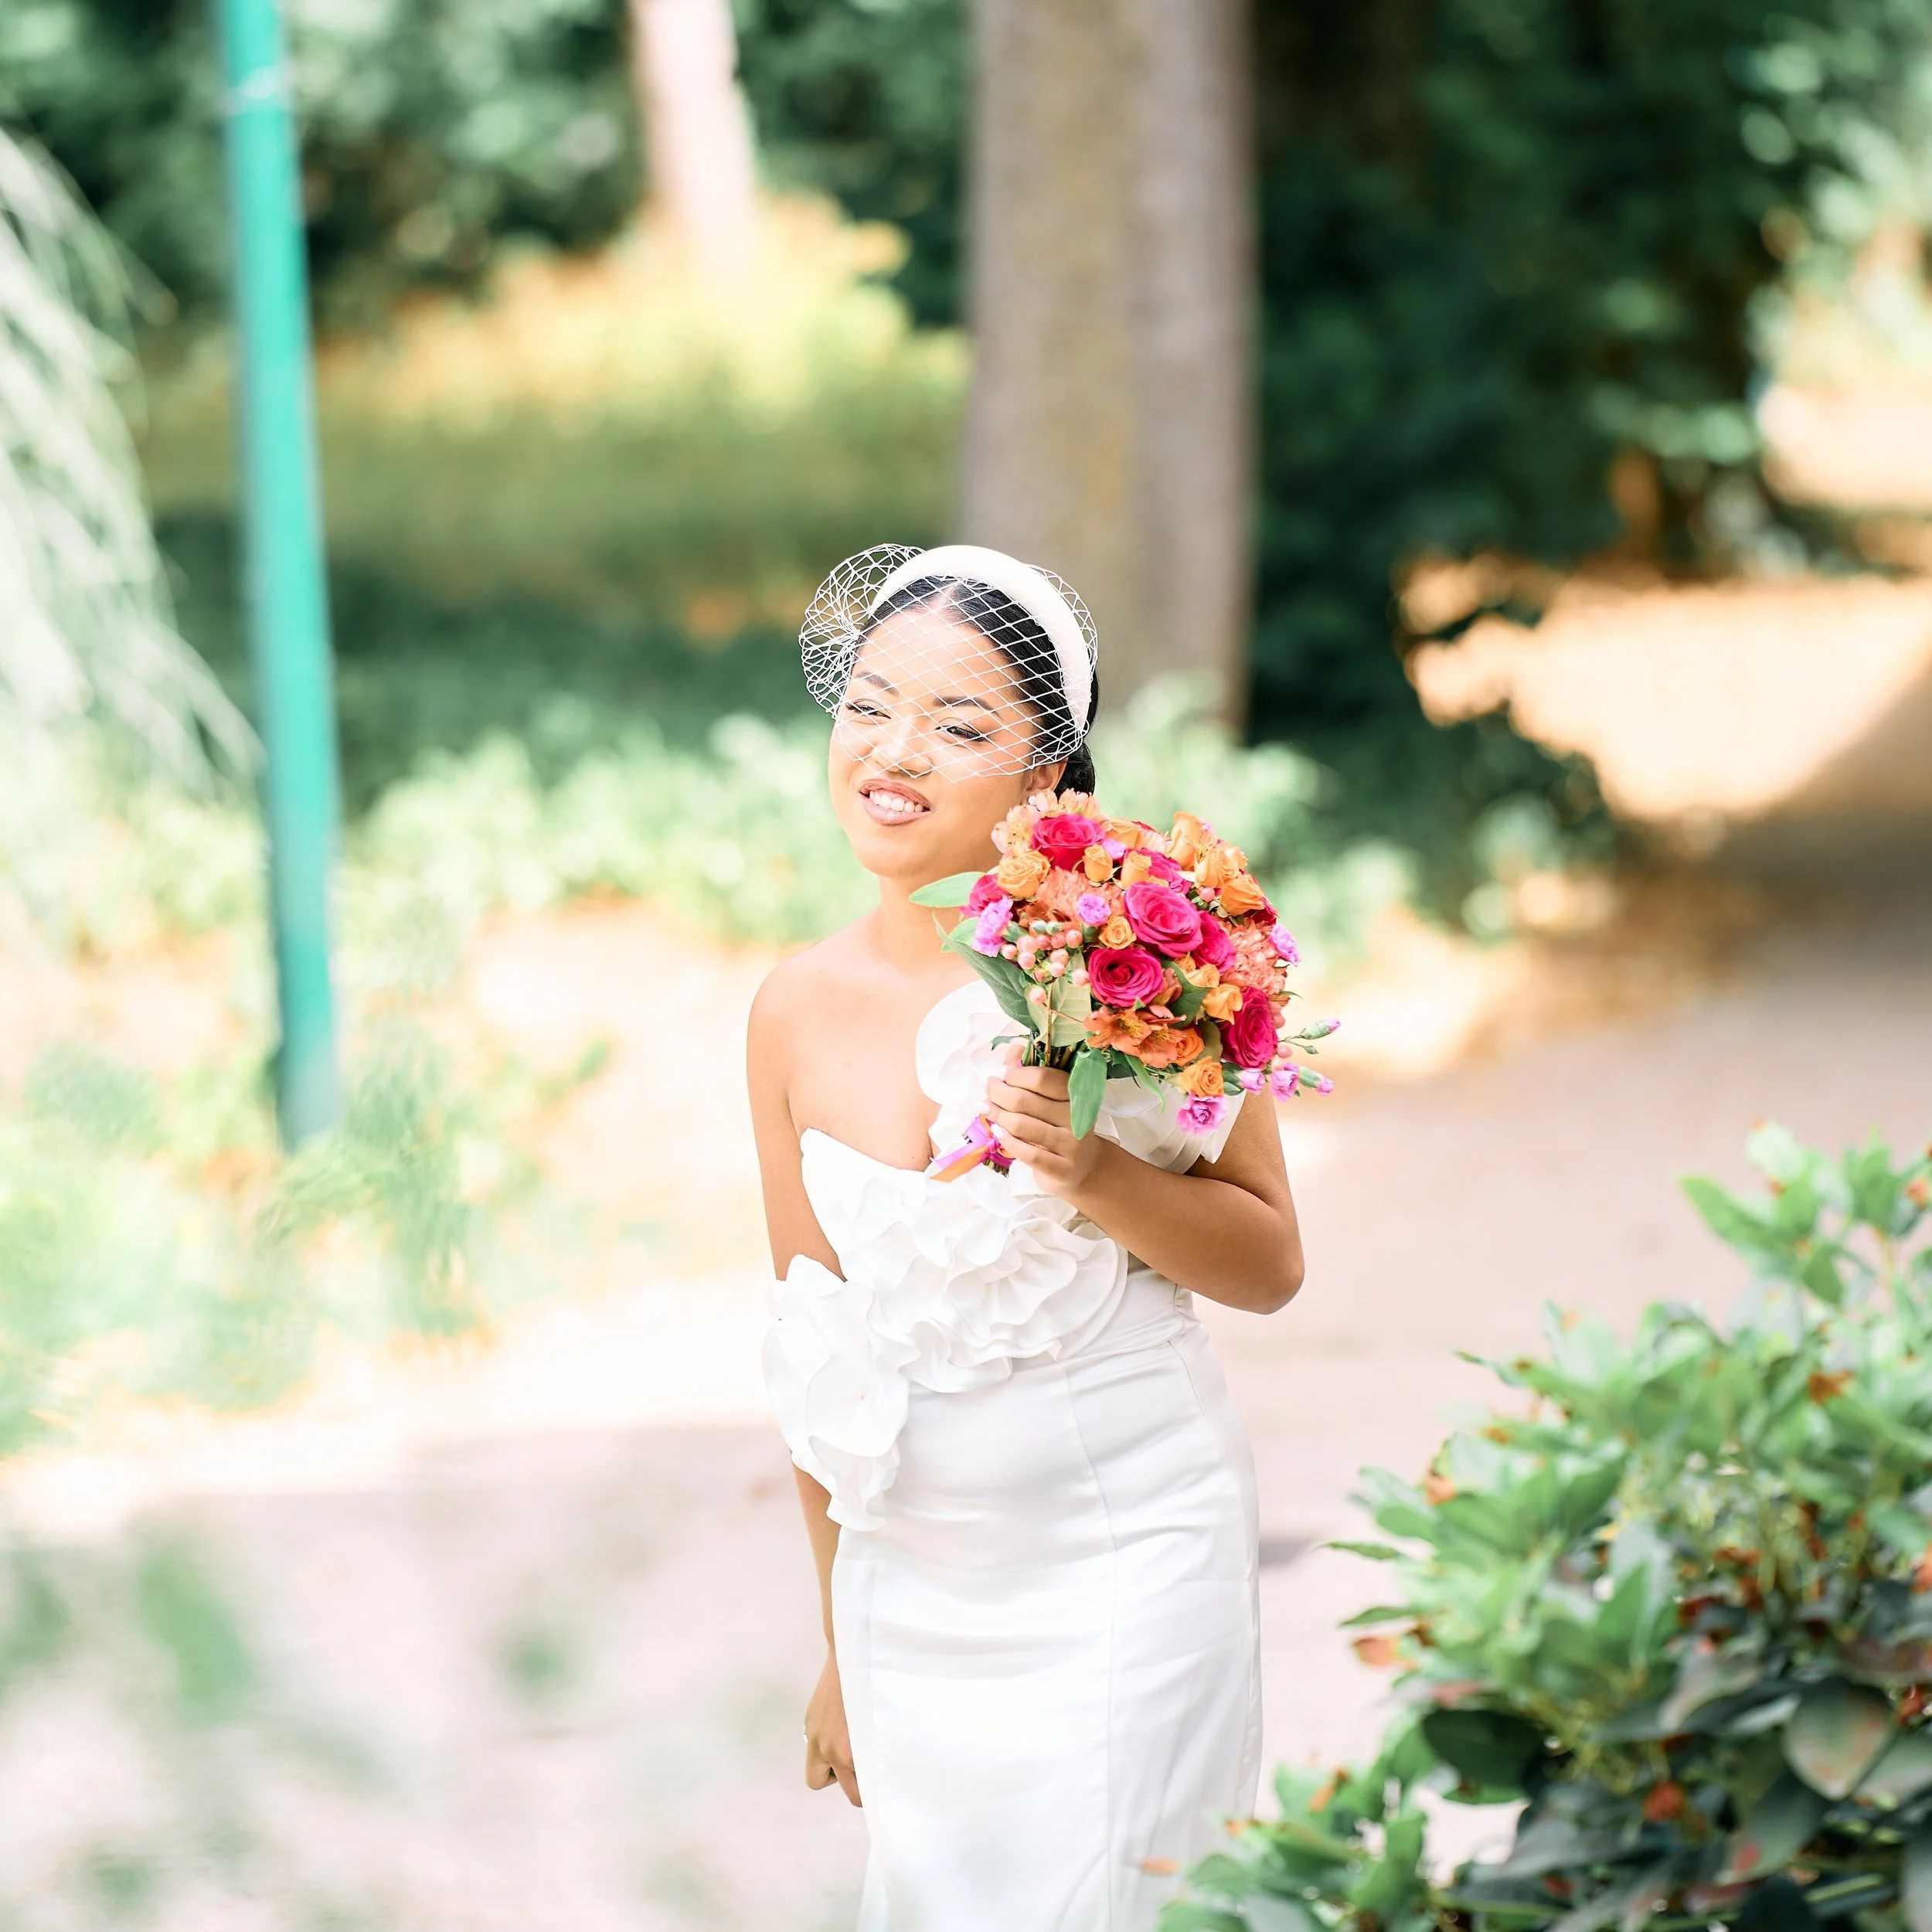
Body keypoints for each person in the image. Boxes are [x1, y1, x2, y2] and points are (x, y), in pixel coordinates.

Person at [749, 543, 1306, 1932]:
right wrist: (837, 1648)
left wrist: (1099, 1173)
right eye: (870, 706)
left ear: (1050, 774)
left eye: (960, 726)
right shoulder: (790, 1011)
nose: (894, 752)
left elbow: (1271, 1260)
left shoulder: (1144, 959)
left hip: (1131, 1563)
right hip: (912, 1600)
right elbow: (815, 1357)